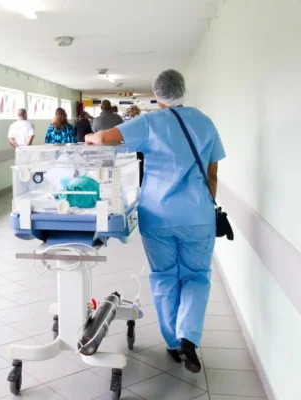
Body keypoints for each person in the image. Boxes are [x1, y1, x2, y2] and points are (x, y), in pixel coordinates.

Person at [85, 69, 225, 374]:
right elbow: (212, 175)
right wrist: (203, 204)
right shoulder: (205, 122)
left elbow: (106, 138)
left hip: (157, 215)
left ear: (157, 93)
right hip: (198, 216)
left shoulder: (149, 122)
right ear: (183, 90)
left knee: (164, 276)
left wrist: (89, 135)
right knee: (196, 276)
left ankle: (174, 344)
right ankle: (189, 337)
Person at [124, 105, 144, 186]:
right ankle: (140, 182)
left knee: (131, 163)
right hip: (140, 144)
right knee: (140, 163)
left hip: (130, 144)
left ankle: (132, 182)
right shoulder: (141, 118)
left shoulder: (127, 119)